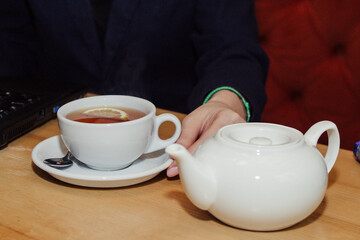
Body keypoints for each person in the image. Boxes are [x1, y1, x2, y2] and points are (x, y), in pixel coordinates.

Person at [0, 0, 269, 177]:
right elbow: (12, 41)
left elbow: (232, 48)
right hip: (44, 137)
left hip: (174, 148)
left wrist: (225, 101)